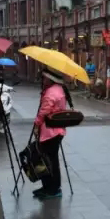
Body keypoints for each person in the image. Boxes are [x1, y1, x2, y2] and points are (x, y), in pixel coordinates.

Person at [33, 69, 69, 199]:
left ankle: (52, 189)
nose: (42, 80)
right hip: (57, 131)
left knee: (48, 161)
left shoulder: (51, 92)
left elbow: (44, 111)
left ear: (49, 79)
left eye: (44, 78)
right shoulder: (59, 89)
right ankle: (49, 187)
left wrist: (36, 124)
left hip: (50, 132)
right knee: (52, 160)